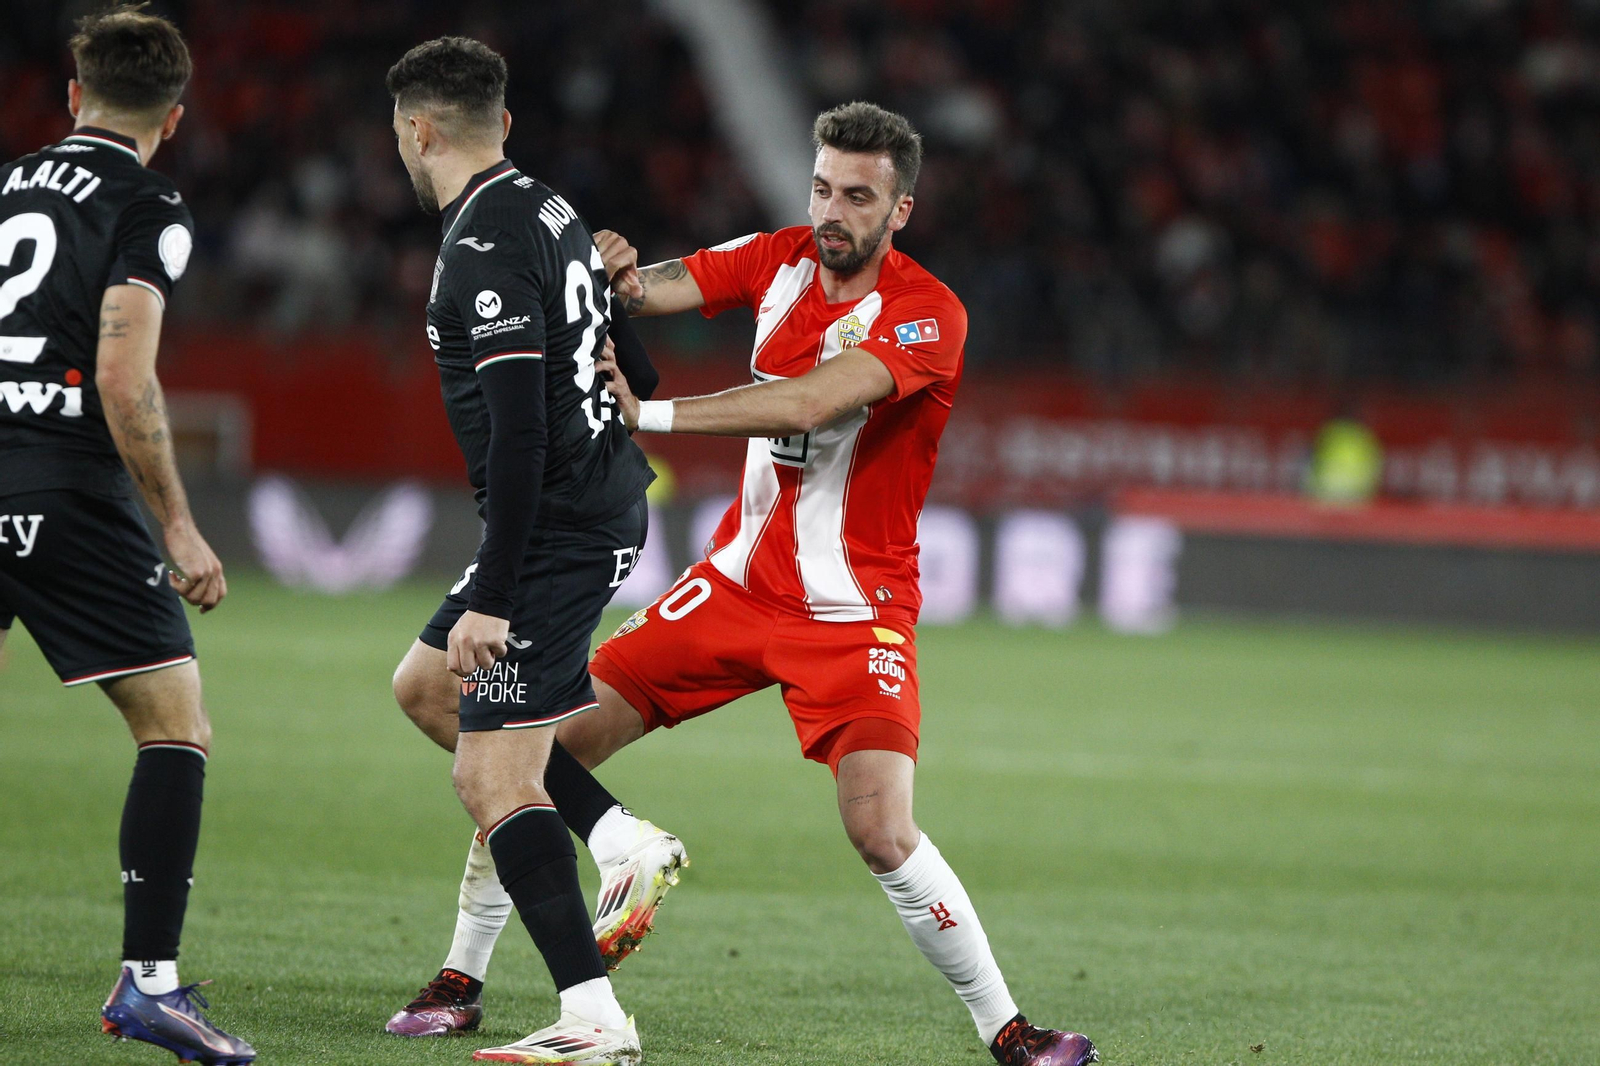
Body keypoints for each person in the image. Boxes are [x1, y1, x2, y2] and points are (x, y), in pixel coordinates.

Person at [401, 101, 1099, 1066]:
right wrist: (607, 268)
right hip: (730, 589)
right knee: (526, 752)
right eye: (822, 188)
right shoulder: (776, 257)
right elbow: (654, 287)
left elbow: (815, 398)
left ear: (901, 210)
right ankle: (462, 978)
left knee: (882, 831)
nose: (832, 212)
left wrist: (653, 411)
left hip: (855, 614)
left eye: (858, 196)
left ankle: (1009, 1030)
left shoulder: (930, 313)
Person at [384, 36, 669, 1066]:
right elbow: (623, 358)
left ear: (416, 130)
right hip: (581, 505)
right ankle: (618, 838)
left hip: (556, 528)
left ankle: (592, 1017)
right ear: (501, 122)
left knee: (493, 780)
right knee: (425, 688)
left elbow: (519, 433)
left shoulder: (486, 242)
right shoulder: (545, 207)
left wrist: (492, 594)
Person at [0, 6, 254, 1063]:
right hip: (63, 481)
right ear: (175, 117)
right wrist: (181, 526)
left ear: (72, 96)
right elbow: (119, 372)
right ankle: (147, 983)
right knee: (173, 725)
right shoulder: (150, 203)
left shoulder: (8, 182)